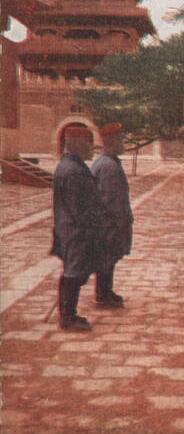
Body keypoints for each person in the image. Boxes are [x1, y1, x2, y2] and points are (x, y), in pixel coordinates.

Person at [51, 126, 102, 331]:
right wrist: (93, 226)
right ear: (78, 145)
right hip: (76, 231)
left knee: (74, 271)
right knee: (74, 272)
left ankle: (68, 313)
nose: (92, 149)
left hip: (70, 229)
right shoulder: (73, 170)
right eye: (89, 144)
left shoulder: (69, 165)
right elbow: (79, 207)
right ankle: (67, 317)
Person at [91, 122, 133, 307]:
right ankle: (103, 295)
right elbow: (109, 199)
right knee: (107, 257)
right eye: (120, 140)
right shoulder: (108, 166)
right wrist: (119, 221)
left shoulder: (107, 162)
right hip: (109, 222)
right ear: (111, 142)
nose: (123, 144)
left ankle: (106, 291)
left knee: (109, 257)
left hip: (107, 221)